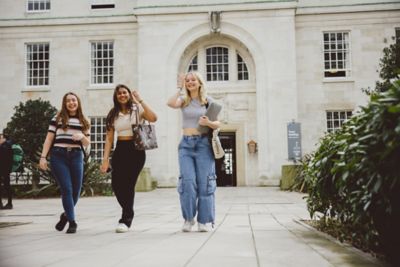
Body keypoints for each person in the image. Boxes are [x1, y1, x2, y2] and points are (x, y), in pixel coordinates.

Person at [100, 84, 157, 233]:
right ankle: (129, 211)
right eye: (119, 93)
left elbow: (153, 118)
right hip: (120, 149)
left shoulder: (137, 108)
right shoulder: (113, 114)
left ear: (129, 94)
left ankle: (125, 219)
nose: (122, 95)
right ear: (116, 96)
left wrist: (140, 100)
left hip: (136, 150)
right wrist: (105, 159)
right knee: (117, 185)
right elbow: (109, 138)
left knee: (129, 185)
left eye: (125, 92)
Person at [167, 72, 220, 232]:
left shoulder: (207, 101)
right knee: (188, 182)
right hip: (186, 145)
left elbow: (218, 124)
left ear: (199, 83)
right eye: (187, 80)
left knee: (205, 183)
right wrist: (179, 87)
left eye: (193, 80)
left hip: (204, 144)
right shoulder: (184, 100)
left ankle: (204, 221)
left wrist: (209, 122)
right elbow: (170, 103)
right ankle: (189, 219)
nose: (190, 82)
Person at [39, 92, 90, 234]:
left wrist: (81, 137)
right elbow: (49, 139)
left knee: (76, 190)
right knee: (67, 189)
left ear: (78, 102)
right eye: (68, 101)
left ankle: (65, 216)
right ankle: (72, 222)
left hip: (76, 156)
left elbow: (87, 143)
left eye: (74, 100)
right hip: (58, 156)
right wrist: (43, 157)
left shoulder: (84, 120)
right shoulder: (57, 118)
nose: (71, 103)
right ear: (64, 103)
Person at [0, 132, 13, 209]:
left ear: (4, 138)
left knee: (7, 186)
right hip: (3, 169)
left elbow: (5, 157)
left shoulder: (6, 145)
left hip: (5, 169)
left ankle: (9, 203)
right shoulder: (4, 145)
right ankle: (1, 203)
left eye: (1, 137)